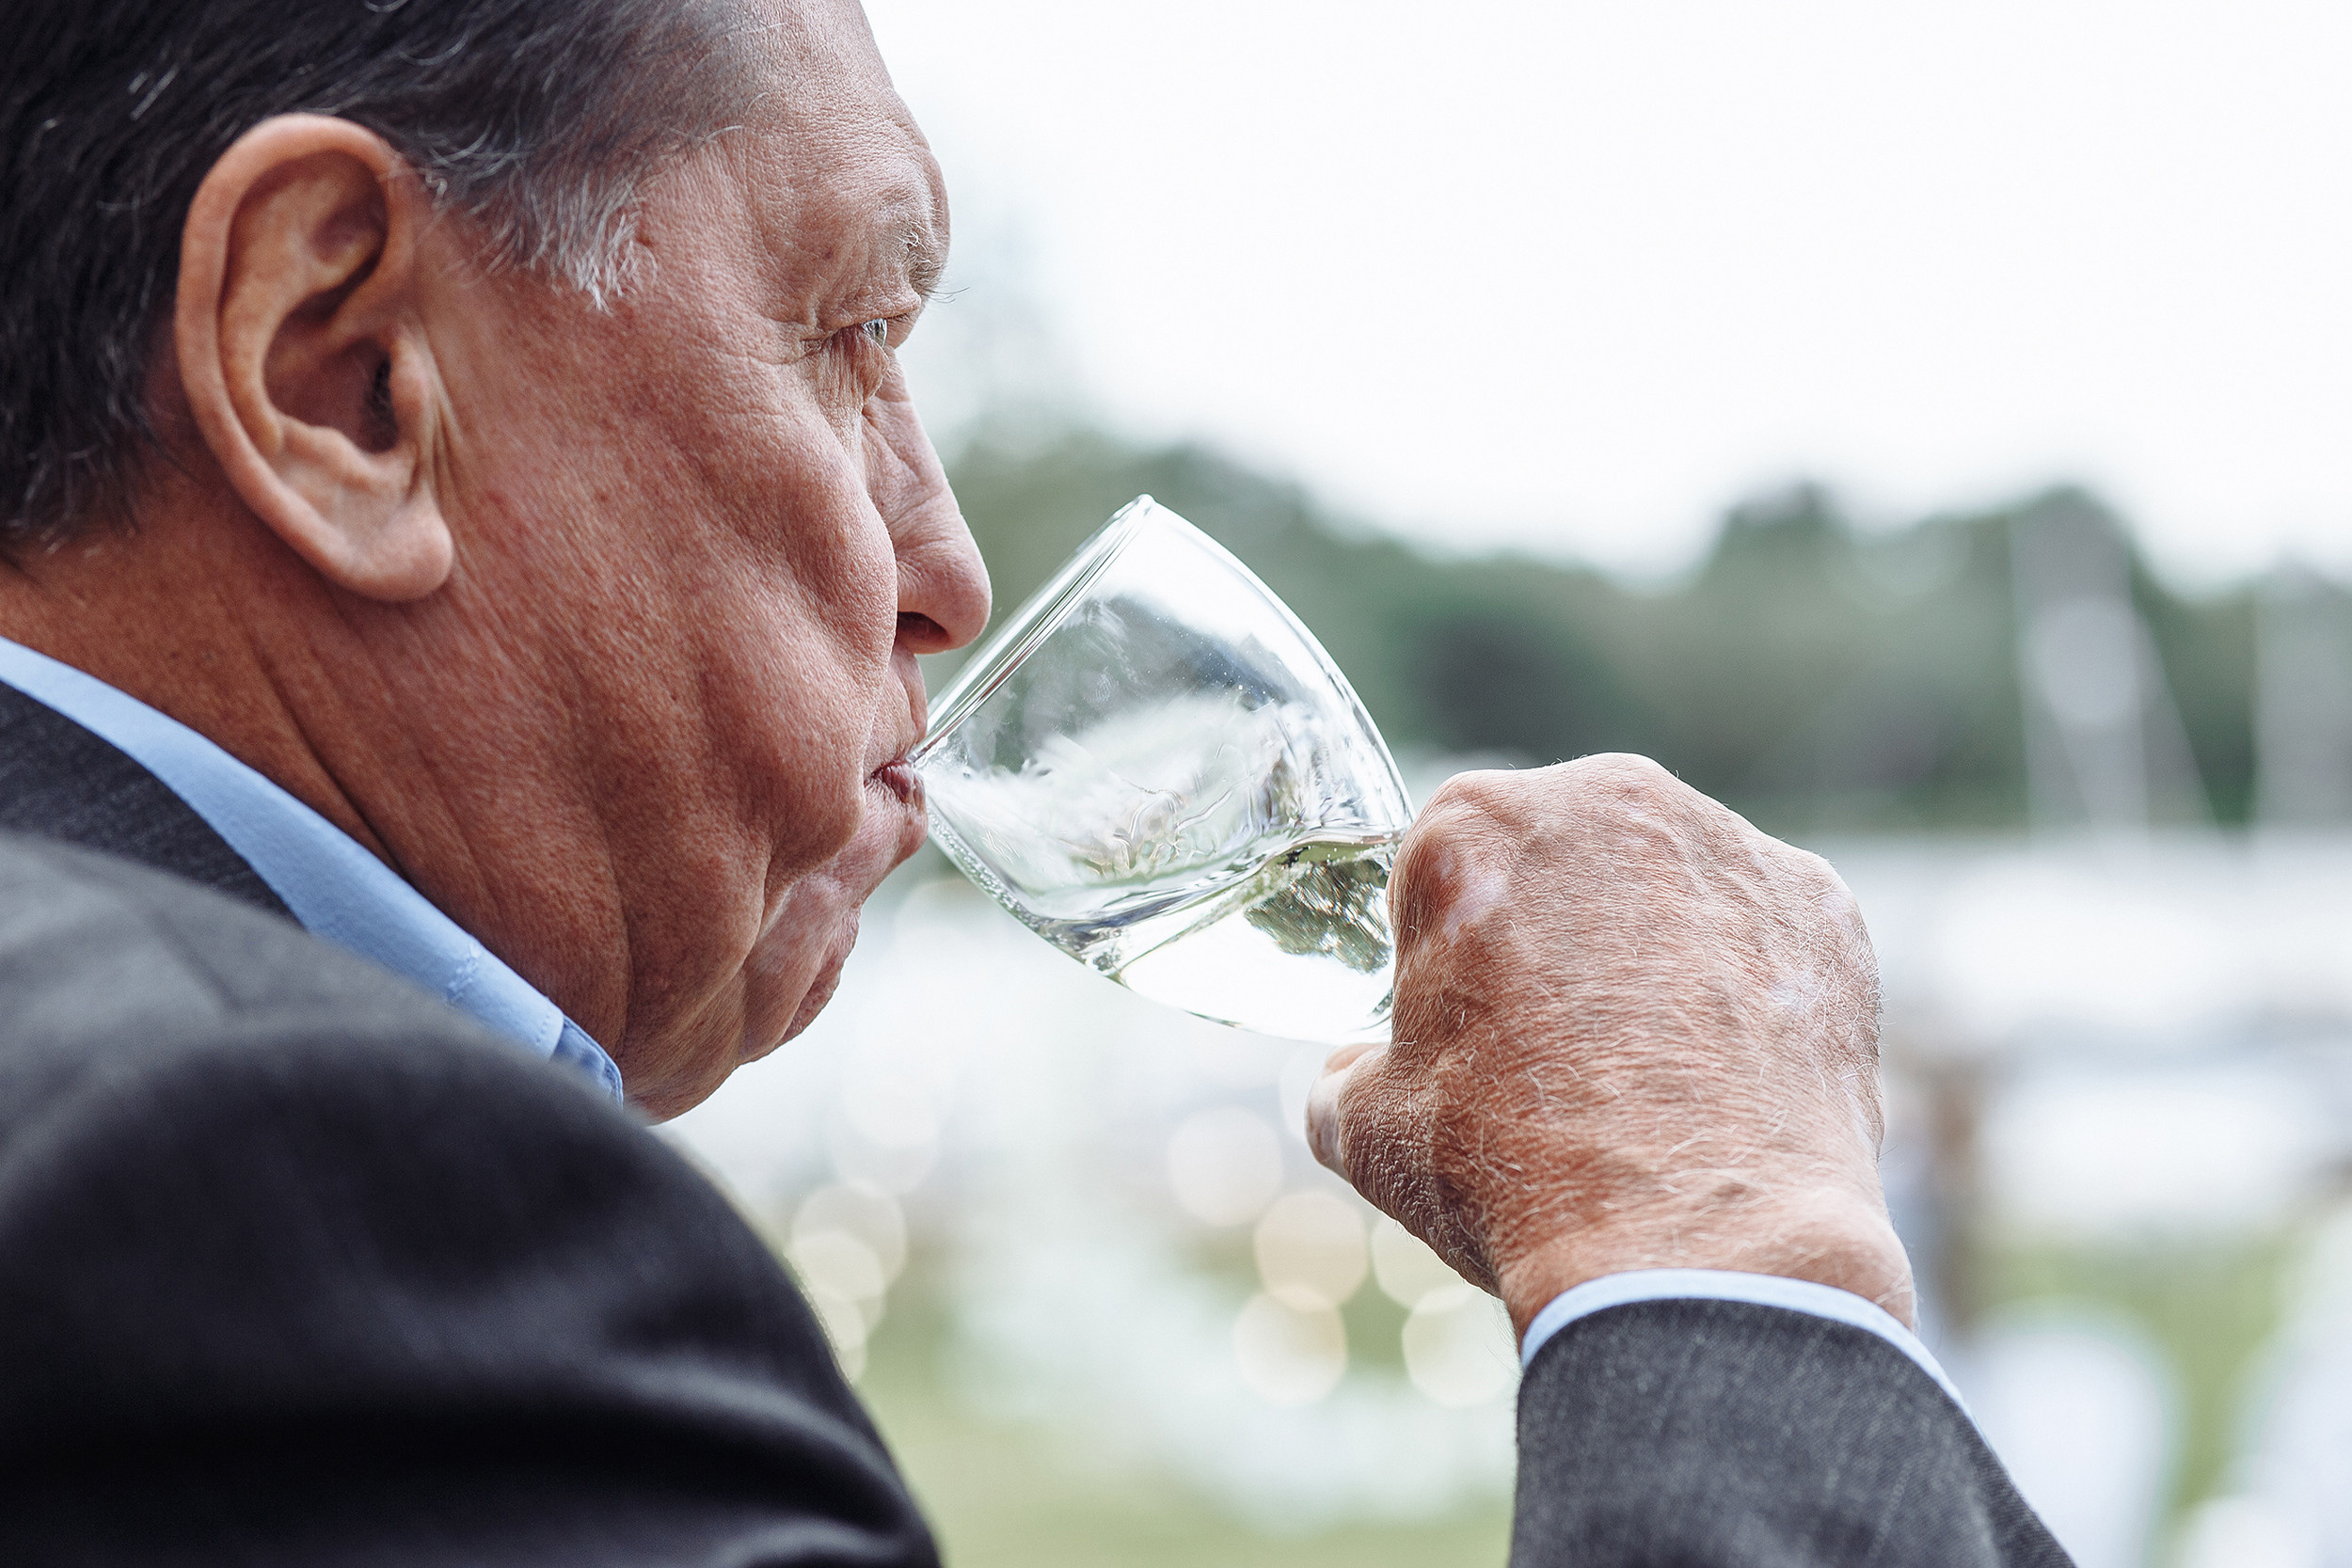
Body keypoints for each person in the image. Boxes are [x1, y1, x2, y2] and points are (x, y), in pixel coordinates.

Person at [0, 1, 2067, 1562]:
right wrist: (1729, 1249)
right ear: (338, 375)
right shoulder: (272, 1192)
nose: (945, 570)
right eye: (851, 331)